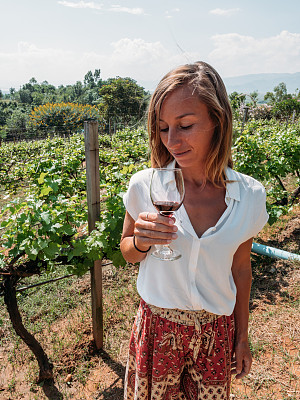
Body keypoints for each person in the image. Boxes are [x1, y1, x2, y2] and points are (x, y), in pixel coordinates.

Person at [120, 61, 268, 400]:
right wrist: (140, 241)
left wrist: (242, 338)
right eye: (162, 128)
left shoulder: (249, 196)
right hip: (157, 330)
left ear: (217, 121)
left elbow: (241, 269)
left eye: (185, 125)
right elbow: (127, 252)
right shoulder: (145, 185)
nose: (172, 141)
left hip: (216, 333)